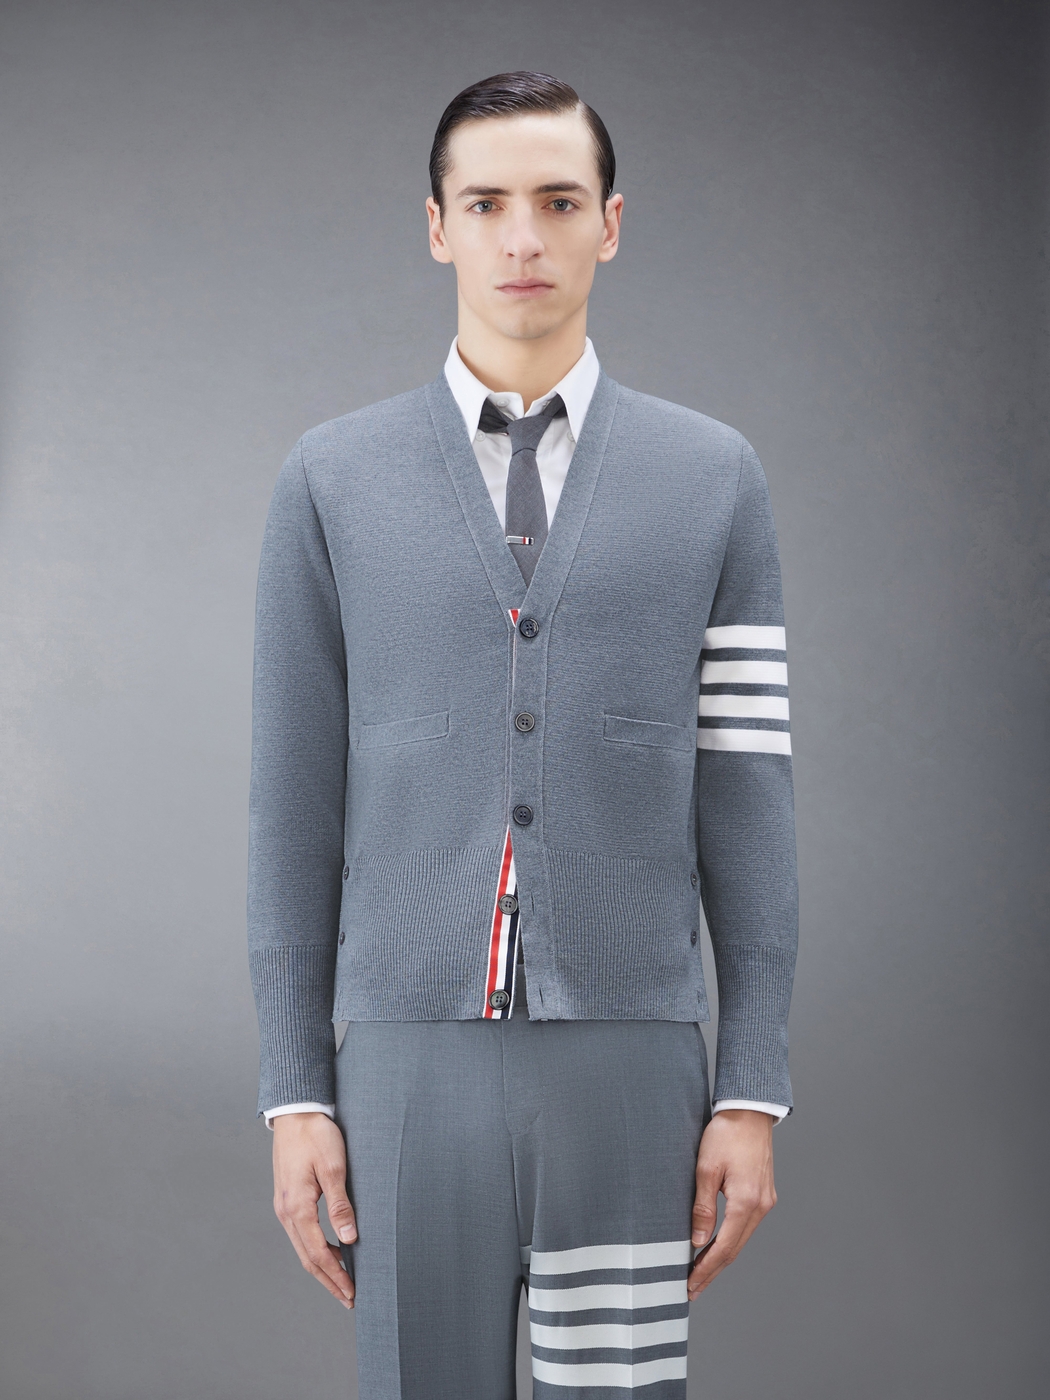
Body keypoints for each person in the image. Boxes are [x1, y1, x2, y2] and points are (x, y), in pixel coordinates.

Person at [248, 70, 798, 1399]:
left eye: (557, 201)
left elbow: (749, 795)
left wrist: (751, 1087)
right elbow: (292, 800)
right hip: (403, 1071)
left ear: (610, 222)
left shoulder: (712, 478)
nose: (522, 238)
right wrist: (295, 1090)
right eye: (485, 204)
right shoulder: (332, 479)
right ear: (437, 228)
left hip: (630, 1064)